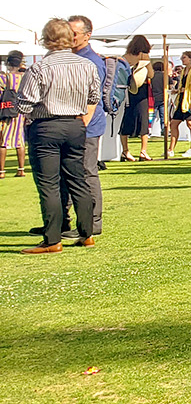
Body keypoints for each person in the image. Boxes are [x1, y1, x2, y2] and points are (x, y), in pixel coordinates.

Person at [19, 18, 100, 254]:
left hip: (46, 126)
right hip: (75, 125)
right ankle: (87, 234)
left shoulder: (39, 68)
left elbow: (25, 103)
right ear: (70, 38)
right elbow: (94, 97)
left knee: (49, 184)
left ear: (45, 40)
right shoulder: (86, 65)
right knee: (78, 179)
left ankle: (53, 238)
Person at [66, 16, 111, 236]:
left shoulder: (92, 61)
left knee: (86, 172)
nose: (71, 37)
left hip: (87, 125)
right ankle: (62, 221)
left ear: (87, 34)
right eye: (69, 32)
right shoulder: (69, 58)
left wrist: (82, 122)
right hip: (69, 123)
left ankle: (93, 223)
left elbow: (92, 97)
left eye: (75, 33)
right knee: (65, 172)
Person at [117, 35, 153, 161]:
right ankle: (143, 151)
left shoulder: (126, 57)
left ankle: (125, 151)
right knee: (143, 120)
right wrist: (146, 63)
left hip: (127, 90)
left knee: (126, 120)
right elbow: (151, 75)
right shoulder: (144, 56)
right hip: (141, 91)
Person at [169, 50, 191, 157]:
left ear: (190, 59)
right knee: (173, 123)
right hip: (181, 100)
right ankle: (171, 149)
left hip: (189, 101)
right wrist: (178, 90)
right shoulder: (183, 71)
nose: (182, 59)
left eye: (184, 57)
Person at [1, 49, 25, 180]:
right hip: (20, 112)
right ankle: (21, 169)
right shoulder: (24, 77)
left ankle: (1, 171)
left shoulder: (4, 77)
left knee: (3, 141)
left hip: (6, 111)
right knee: (19, 141)